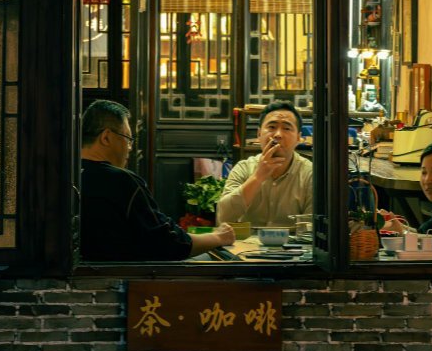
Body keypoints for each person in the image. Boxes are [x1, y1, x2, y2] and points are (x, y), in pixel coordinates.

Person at [80, 100, 235, 261]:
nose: (130, 148)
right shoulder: (122, 181)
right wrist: (219, 237)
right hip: (127, 280)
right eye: (128, 139)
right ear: (106, 137)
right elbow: (170, 244)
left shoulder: (62, 178)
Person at [217, 101, 313, 228]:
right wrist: (258, 176)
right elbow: (223, 218)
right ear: (259, 134)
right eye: (272, 127)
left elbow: (311, 226)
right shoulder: (244, 168)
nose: (278, 135)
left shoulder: (309, 173)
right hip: (245, 246)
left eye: (287, 128)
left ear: (298, 138)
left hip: (293, 246)